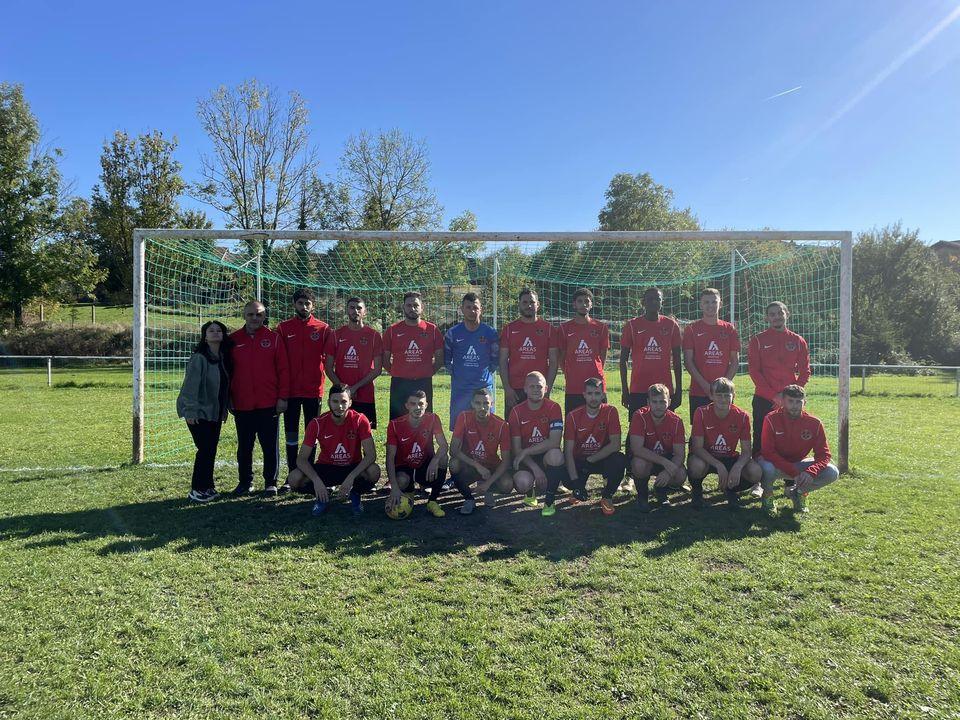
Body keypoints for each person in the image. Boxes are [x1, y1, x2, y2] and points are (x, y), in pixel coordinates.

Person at [287, 385, 381, 516]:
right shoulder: (317, 423)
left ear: (350, 402)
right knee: (294, 478)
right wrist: (316, 481)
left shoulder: (360, 420)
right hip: (327, 467)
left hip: (352, 468)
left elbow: (371, 455)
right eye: (335, 401)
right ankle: (322, 497)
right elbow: (301, 459)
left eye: (343, 402)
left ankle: (355, 493)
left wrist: (351, 477)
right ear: (328, 402)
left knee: (374, 471)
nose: (340, 406)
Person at [228, 301, 290, 496]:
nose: (255, 318)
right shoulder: (232, 340)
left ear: (264, 316)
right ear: (244, 315)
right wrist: (229, 397)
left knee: (270, 446)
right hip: (242, 403)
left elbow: (284, 371)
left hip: (268, 403)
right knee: (244, 447)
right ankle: (245, 482)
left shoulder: (274, 338)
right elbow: (227, 372)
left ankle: (270, 482)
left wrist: (282, 397)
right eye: (251, 314)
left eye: (259, 314)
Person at [277, 288, 333, 482]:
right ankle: (293, 474)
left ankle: (309, 474)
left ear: (313, 305)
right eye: (300, 303)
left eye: (307, 303)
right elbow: (280, 362)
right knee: (291, 433)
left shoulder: (323, 328)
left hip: (313, 390)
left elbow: (330, 359)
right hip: (291, 391)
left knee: (312, 433)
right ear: (294, 304)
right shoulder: (283, 328)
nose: (304, 307)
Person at [758, 384, 839, 515]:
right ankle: (768, 496)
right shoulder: (771, 419)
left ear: (804, 402)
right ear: (783, 401)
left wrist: (811, 472)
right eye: (790, 401)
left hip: (799, 465)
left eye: (798, 402)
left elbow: (824, 455)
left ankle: (798, 493)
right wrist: (794, 472)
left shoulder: (815, 423)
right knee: (765, 467)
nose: (794, 405)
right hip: (775, 465)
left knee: (832, 471)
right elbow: (768, 452)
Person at [176, 320, 232, 502]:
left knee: (211, 449)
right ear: (205, 336)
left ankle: (208, 487)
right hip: (198, 412)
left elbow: (223, 388)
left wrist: (223, 410)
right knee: (205, 449)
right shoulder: (199, 358)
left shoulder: (222, 358)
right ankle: (197, 489)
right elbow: (190, 388)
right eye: (211, 331)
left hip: (214, 413)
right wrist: (191, 411)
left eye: (218, 330)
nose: (215, 333)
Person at [748, 301, 811, 456]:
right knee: (760, 438)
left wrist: (793, 395)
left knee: (789, 438)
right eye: (772, 314)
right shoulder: (757, 340)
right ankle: (757, 476)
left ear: (787, 314)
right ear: (767, 318)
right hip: (764, 399)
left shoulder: (798, 341)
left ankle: (790, 478)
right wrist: (774, 396)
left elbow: (805, 371)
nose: (776, 317)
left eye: (780, 313)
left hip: (790, 400)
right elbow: (754, 372)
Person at [687, 378, 761, 509]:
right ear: (711, 396)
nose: (723, 399)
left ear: (733, 396)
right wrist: (718, 465)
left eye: (727, 395)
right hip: (706, 457)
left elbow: (746, 451)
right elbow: (697, 448)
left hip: (729, 457)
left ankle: (731, 489)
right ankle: (697, 492)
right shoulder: (701, 412)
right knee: (696, 465)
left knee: (755, 471)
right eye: (719, 395)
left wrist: (737, 467)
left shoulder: (742, 416)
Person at [561, 377, 626, 516]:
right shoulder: (573, 416)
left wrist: (591, 460)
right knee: (567, 479)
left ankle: (607, 497)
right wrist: (575, 482)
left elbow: (615, 444)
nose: (593, 398)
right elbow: (567, 451)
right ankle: (577, 489)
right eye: (590, 394)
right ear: (584, 395)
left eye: (597, 393)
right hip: (579, 460)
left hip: (600, 459)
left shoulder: (610, 412)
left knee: (619, 460)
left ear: (603, 394)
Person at [507, 371, 566, 514]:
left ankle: (549, 501)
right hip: (526, 460)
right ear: (525, 389)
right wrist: (535, 469)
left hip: (546, 456)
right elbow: (516, 449)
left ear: (546, 389)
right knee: (522, 483)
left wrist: (527, 450)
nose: (535, 390)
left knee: (556, 455)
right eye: (531, 386)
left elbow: (555, 442)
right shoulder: (515, 412)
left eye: (539, 387)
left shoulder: (554, 407)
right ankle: (529, 492)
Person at [620, 287, 683, 418]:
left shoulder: (671, 325)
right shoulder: (631, 325)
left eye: (658, 299)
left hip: (665, 389)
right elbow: (623, 360)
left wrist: (679, 390)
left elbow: (677, 361)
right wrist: (625, 391)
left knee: (665, 429)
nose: (654, 302)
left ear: (662, 302)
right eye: (650, 299)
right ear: (643, 302)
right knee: (637, 428)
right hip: (638, 389)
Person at [385, 390, 449, 518]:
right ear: (407, 406)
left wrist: (434, 461)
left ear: (426, 405)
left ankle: (432, 501)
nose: (417, 407)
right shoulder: (395, 425)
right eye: (413, 404)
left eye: (420, 404)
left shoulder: (433, 418)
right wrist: (395, 487)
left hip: (425, 466)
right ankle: (408, 492)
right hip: (405, 468)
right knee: (401, 481)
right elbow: (390, 457)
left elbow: (443, 445)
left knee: (443, 458)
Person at [382, 291, 444, 420]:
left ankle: (424, 441)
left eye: (415, 305)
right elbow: (385, 360)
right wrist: (397, 372)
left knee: (424, 420)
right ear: (403, 307)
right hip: (400, 382)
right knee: (398, 419)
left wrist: (426, 372)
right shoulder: (392, 330)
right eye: (409, 305)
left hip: (423, 381)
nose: (412, 308)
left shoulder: (432, 330)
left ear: (422, 307)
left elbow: (439, 359)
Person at [449, 388, 511, 515]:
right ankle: (469, 499)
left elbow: (506, 461)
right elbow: (453, 450)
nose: (482, 407)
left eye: (486, 403)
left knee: (507, 485)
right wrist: (477, 465)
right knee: (454, 464)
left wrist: (488, 483)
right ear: (472, 404)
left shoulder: (502, 425)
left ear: (492, 404)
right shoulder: (464, 417)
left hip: (491, 466)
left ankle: (488, 489)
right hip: (471, 465)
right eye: (478, 403)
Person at [682, 288, 740, 424]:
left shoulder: (729, 329)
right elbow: (688, 361)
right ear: (701, 305)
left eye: (714, 302)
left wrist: (722, 387)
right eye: (706, 302)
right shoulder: (691, 329)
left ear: (720, 304)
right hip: (699, 390)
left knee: (724, 427)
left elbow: (735, 361)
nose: (710, 305)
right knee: (699, 430)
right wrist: (706, 386)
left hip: (724, 393)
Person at [499, 288, 559, 417]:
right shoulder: (509, 329)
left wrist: (547, 388)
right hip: (515, 389)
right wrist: (507, 389)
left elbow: (554, 362)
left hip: (539, 388)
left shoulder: (549, 329)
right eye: (525, 302)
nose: (529, 305)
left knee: (539, 430)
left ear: (538, 304)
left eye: (532, 302)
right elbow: (502, 360)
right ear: (519, 304)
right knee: (513, 429)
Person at [325, 296, 383, 429]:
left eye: (359, 308)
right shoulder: (335, 335)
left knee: (366, 433)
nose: (355, 311)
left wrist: (355, 388)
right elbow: (328, 368)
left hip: (365, 394)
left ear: (364, 312)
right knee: (342, 431)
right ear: (347, 310)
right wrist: (345, 390)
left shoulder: (374, 336)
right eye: (352, 308)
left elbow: (377, 369)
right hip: (342, 396)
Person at [628, 384, 687, 512]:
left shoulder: (676, 421)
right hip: (647, 458)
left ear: (669, 402)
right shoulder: (639, 416)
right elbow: (637, 449)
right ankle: (642, 496)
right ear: (648, 402)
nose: (658, 406)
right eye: (654, 402)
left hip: (666, 458)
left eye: (662, 402)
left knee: (680, 474)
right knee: (639, 464)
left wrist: (668, 471)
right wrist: (664, 463)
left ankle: (661, 492)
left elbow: (680, 454)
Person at [445, 292, 500, 429]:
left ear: (481, 309)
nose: (472, 311)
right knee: (460, 428)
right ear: (462, 309)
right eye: (468, 307)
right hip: (461, 389)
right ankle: (459, 451)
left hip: (483, 388)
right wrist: (459, 375)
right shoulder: (453, 333)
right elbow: (447, 359)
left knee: (485, 427)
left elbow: (495, 358)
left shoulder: (490, 333)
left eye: (475, 307)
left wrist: (484, 375)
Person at [558, 288, 610, 416]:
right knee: (573, 423)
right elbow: (561, 357)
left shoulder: (601, 327)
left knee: (601, 423)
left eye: (587, 301)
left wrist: (595, 370)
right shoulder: (564, 328)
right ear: (574, 304)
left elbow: (602, 354)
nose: (584, 304)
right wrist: (569, 372)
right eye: (580, 301)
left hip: (597, 384)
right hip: (574, 386)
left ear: (591, 304)